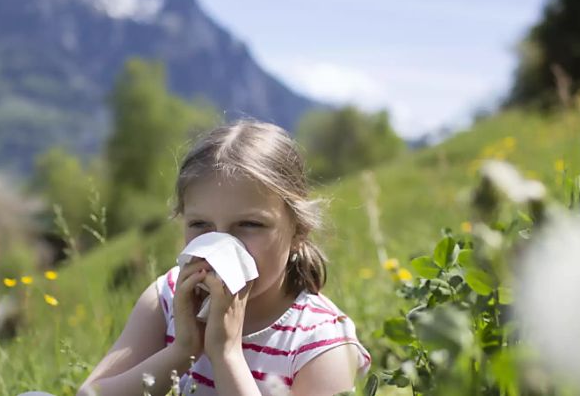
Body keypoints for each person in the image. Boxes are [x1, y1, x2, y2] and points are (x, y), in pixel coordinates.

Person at [77, 120, 371, 396]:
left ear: (297, 233)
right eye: (200, 225)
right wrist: (182, 351)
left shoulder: (318, 341)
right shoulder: (166, 298)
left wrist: (227, 354)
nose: (220, 246)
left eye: (250, 225)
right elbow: (90, 393)